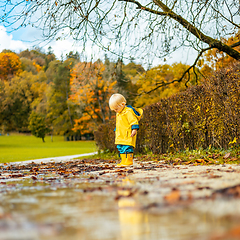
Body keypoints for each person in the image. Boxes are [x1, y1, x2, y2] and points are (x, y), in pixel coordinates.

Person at [109, 93, 143, 166]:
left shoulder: (128, 112)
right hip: (120, 135)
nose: (115, 110)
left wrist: (134, 129)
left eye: (116, 108)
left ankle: (128, 161)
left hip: (128, 135)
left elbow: (133, 121)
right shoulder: (119, 113)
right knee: (121, 148)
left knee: (127, 148)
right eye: (114, 110)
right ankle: (123, 161)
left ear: (122, 104)